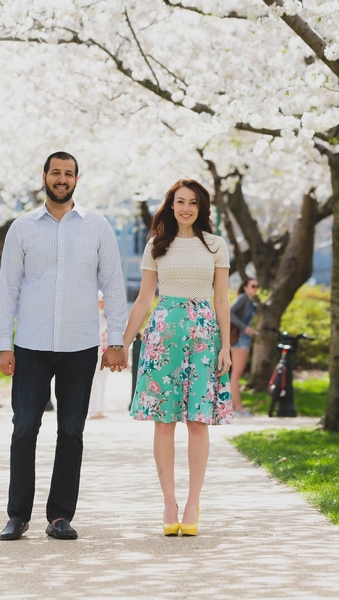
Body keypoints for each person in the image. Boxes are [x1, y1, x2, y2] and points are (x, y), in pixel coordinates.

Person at [0, 151, 128, 542]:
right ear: (45, 177)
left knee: (71, 431)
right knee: (24, 428)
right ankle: (17, 516)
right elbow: (8, 289)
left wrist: (116, 340)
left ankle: (59, 516)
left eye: (69, 174)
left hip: (80, 345)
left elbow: (114, 286)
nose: (62, 179)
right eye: (56, 172)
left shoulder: (98, 227)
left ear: (76, 180)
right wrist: (5, 345)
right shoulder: (22, 228)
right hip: (31, 344)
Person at [124, 178, 233, 538]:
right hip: (163, 335)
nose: (186, 208)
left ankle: (192, 502)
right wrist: (123, 342)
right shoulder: (156, 245)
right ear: (171, 205)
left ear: (202, 208)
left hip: (204, 336)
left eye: (193, 203)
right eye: (180, 201)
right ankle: (169, 502)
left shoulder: (216, 246)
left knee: (198, 421)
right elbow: (144, 299)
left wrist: (226, 347)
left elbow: (221, 300)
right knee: (164, 421)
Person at [229, 278, 258, 416]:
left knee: (237, 374)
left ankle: (235, 406)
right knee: (236, 374)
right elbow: (229, 312)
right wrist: (244, 328)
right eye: (253, 286)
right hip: (239, 339)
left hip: (245, 339)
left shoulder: (252, 302)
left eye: (257, 286)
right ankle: (237, 407)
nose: (255, 289)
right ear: (245, 287)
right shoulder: (243, 298)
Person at [89, 291, 109, 419]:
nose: (102, 305)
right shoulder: (92, 318)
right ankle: (93, 410)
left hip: (104, 353)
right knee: (93, 382)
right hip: (95, 353)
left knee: (103, 382)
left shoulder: (105, 318)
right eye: (99, 302)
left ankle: (100, 409)